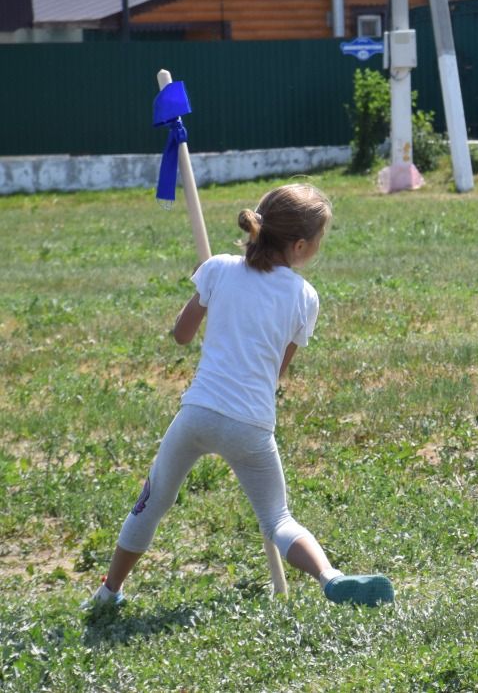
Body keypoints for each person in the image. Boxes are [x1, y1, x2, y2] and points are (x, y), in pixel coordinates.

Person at [86, 184, 393, 612]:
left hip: (197, 413)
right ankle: (331, 576)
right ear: (301, 245)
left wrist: (206, 286)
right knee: (278, 519)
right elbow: (276, 372)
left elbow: (181, 335)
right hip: (250, 423)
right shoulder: (305, 297)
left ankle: (108, 593)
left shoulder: (219, 269)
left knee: (151, 504)